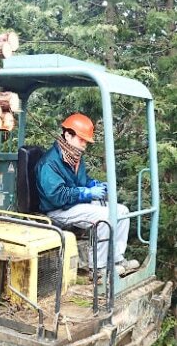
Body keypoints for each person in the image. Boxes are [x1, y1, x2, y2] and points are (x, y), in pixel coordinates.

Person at [35, 113, 139, 277]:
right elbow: (56, 196)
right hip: (58, 210)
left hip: (74, 205)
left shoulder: (74, 157)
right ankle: (98, 268)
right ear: (68, 135)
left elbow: (80, 181)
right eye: (81, 139)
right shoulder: (50, 162)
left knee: (122, 211)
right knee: (105, 217)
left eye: (86, 141)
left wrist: (93, 184)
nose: (85, 144)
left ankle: (117, 259)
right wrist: (86, 193)